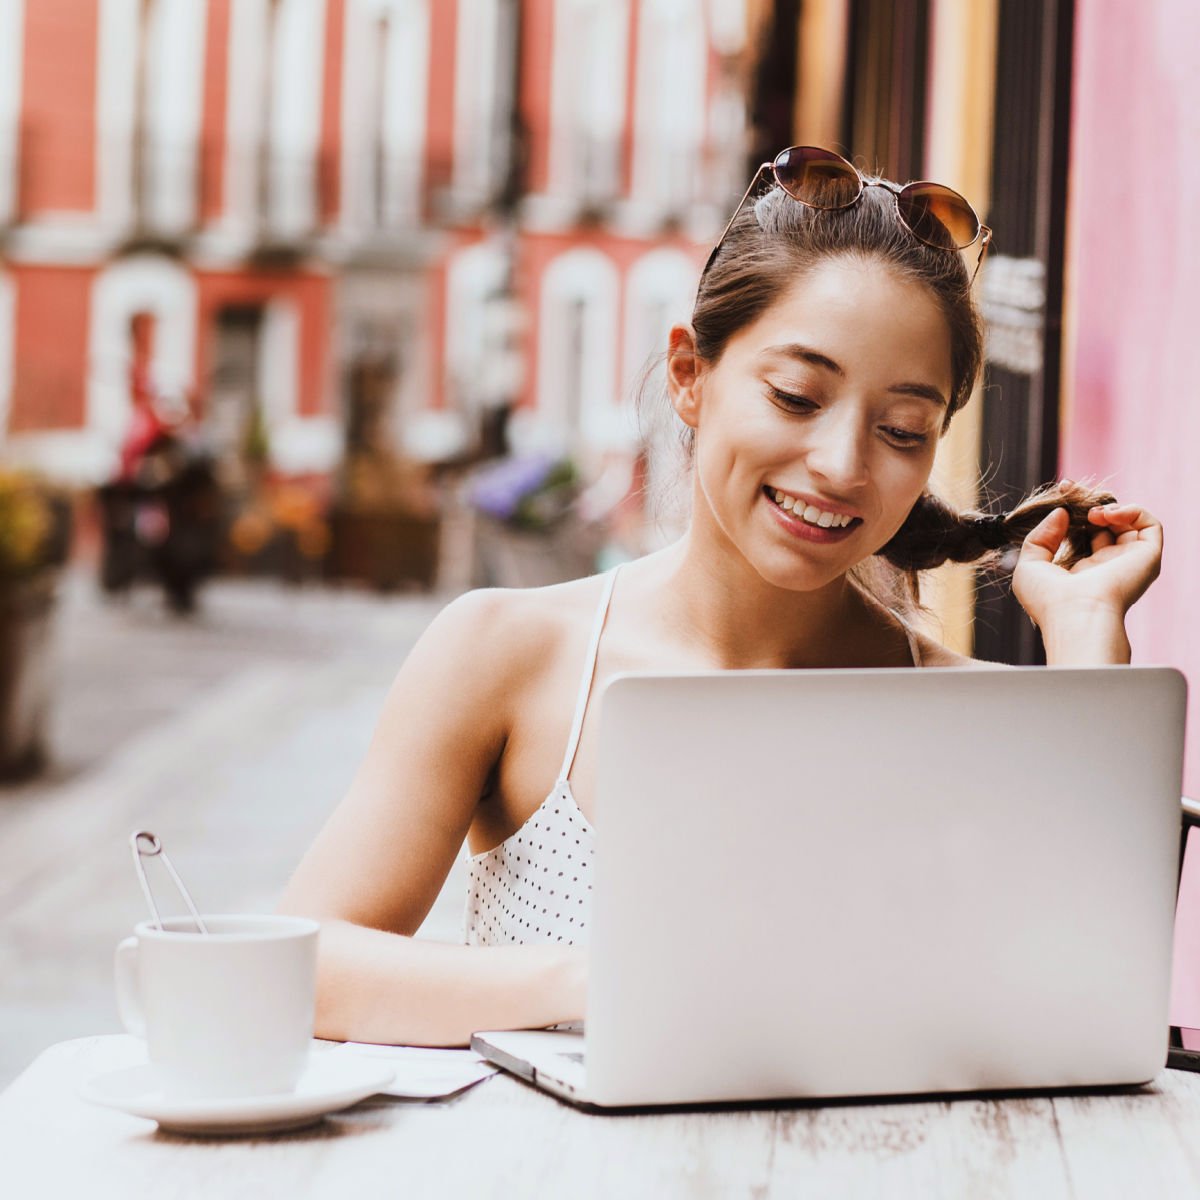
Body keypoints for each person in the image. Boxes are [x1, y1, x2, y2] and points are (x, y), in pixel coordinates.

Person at [277, 146, 1163, 1046]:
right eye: (794, 396)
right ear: (690, 377)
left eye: (902, 430)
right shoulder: (510, 654)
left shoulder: (962, 713)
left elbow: (1087, 991)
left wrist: (1089, 641)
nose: (843, 465)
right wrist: (600, 979)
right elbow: (303, 969)